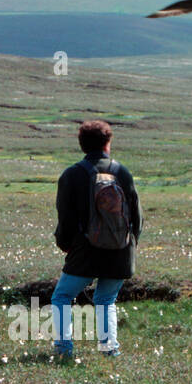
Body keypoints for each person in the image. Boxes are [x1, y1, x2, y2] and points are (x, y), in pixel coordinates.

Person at [51, 119, 142, 357]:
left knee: (62, 296)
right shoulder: (122, 172)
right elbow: (136, 217)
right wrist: (128, 245)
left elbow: (65, 218)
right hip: (120, 251)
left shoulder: (72, 175)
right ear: (107, 144)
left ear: (82, 145)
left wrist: (66, 246)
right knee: (106, 300)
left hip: (84, 250)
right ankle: (109, 349)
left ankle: (63, 348)